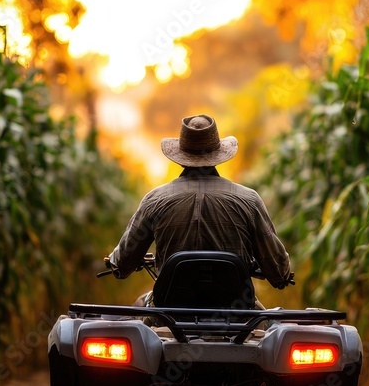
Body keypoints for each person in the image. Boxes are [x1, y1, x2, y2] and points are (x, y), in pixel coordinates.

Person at [108, 114, 291, 290]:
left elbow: (123, 264)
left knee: (143, 307)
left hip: (170, 311)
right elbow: (278, 272)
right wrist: (280, 273)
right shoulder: (249, 200)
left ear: (181, 158)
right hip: (236, 313)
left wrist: (115, 260)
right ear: (218, 155)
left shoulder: (154, 200)